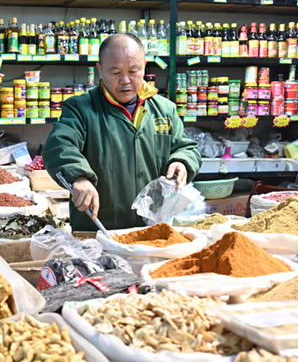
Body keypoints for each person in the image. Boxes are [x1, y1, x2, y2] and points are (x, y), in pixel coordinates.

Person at [44, 33, 201, 231]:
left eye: (134, 70)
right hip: (99, 228)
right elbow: (60, 145)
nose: (126, 80)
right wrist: (78, 177)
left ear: (144, 65)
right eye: (115, 72)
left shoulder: (165, 109)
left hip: (154, 227)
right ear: (99, 70)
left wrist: (182, 161)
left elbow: (186, 147)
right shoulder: (79, 108)